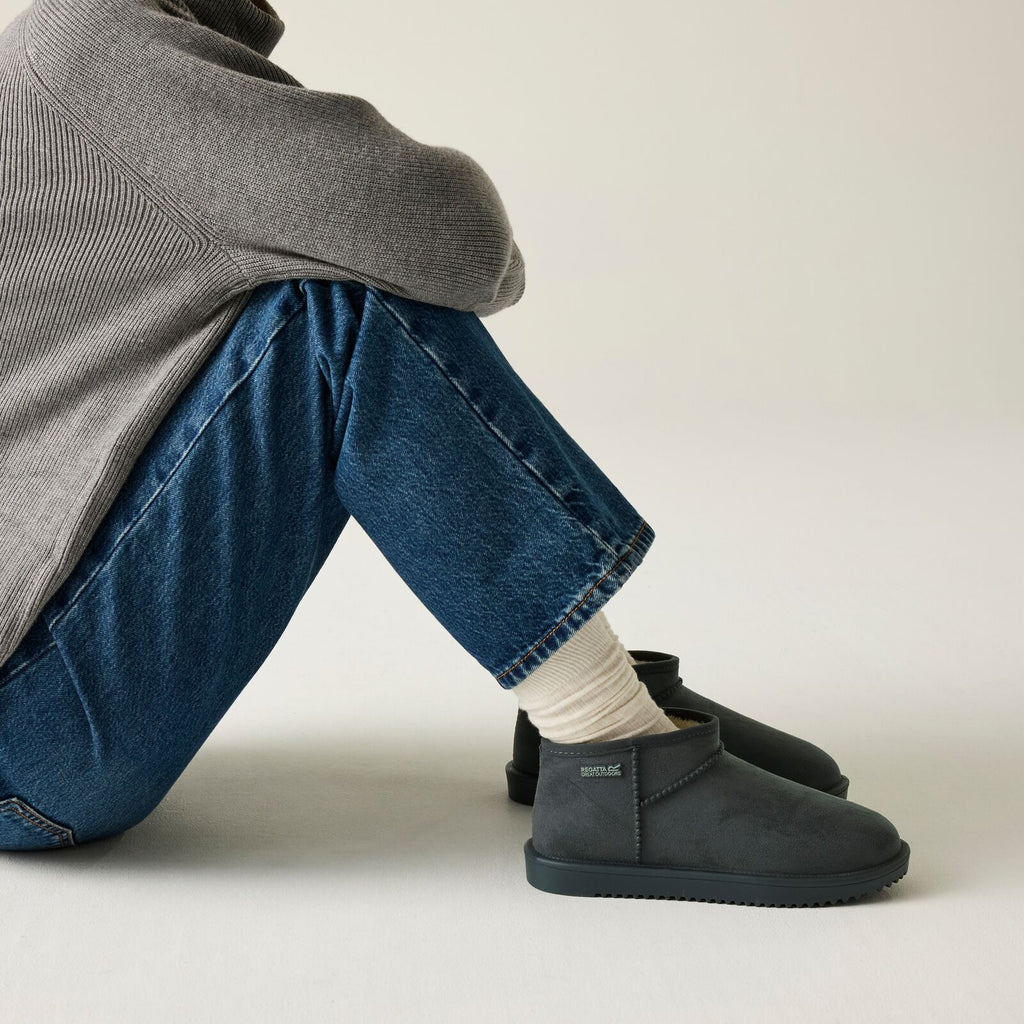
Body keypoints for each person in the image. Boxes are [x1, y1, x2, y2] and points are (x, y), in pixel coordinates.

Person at [0, 0, 909, 906]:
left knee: (322, 278)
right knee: (337, 307)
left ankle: (590, 702)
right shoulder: (94, 42)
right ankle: (608, 743)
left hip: (29, 717)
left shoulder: (94, 44)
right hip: (26, 742)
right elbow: (460, 238)